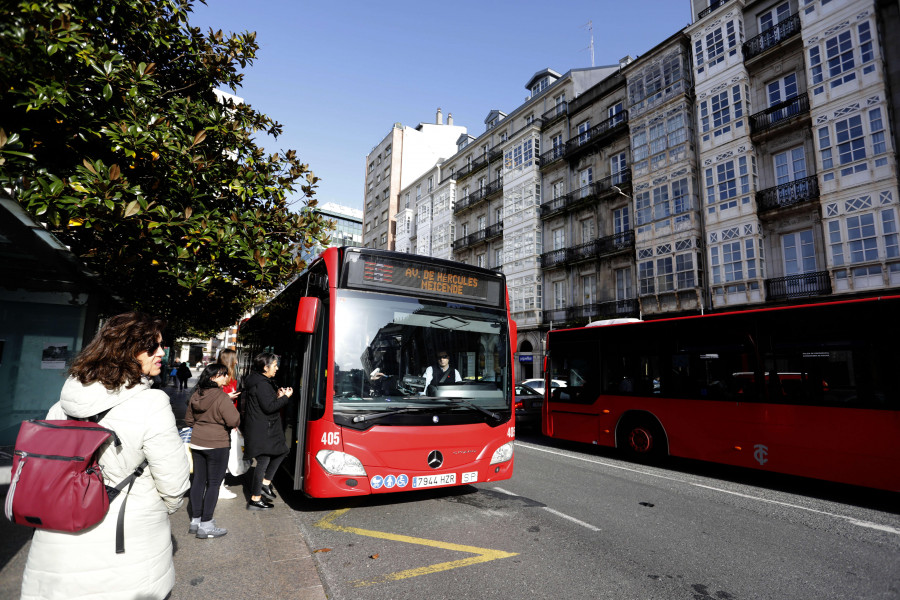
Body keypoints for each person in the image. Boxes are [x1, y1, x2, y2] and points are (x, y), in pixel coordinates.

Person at [20, 312, 191, 600]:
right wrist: (158, 508)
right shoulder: (151, 403)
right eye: (152, 346)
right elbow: (174, 483)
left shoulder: (63, 402)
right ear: (127, 352)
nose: (162, 352)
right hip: (125, 542)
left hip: (56, 538)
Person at [184, 363, 240, 538]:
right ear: (213, 377)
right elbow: (234, 421)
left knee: (198, 481)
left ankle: (195, 520)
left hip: (197, 442)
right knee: (214, 484)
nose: (226, 378)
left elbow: (188, 420)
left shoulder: (196, 394)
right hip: (217, 444)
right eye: (223, 375)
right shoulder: (221, 397)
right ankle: (206, 524)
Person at [241, 352, 293, 510]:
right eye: (274, 365)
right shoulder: (262, 383)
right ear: (265, 367)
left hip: (263, 427)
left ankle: (264, 484)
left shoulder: (259, 380)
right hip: (262, 428)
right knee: (263, 460)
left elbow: (265, 402)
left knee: (282, 450)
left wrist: (277, 396)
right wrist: (285, 398)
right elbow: (269, 407)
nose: (277, 368)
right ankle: (255, 499)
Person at [215, 348, 241, 499]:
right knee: (221, 455)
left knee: (224, 454)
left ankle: (219, 484)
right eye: (235, 359)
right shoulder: (220, 377)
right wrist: (228, 396)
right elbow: (212, 396)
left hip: (228, 421)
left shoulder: (230, 377)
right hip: (221, 422)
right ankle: (218, 486)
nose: (237, 362)